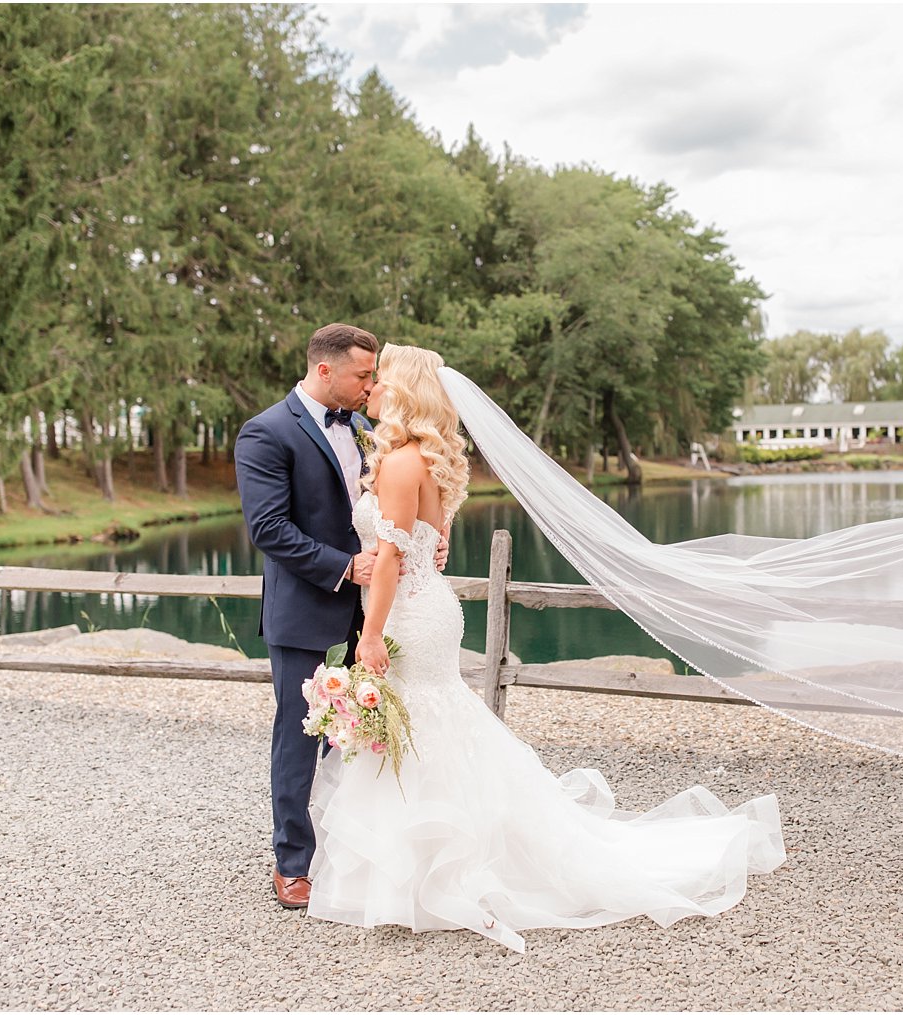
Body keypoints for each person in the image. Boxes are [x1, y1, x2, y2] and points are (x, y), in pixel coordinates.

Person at [306, 345, 786, 952]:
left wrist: (370, 636)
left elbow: (395, 560)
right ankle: (423, 873)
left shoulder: (401, 463)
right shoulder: (430, 460)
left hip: (409, 613)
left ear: (402, 390)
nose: (371, 387)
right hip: (430, 608)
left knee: (424, 724)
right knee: (433, 724)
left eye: (381, 379)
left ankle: (431, 877)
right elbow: (432, 544)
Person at [234, 324, 447, 909]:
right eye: (361, 375)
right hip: (307, 609)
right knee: (300, 738)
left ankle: (345, 854)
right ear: (324, 370)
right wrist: (345, 566)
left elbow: (391, 514)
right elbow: (268, 529)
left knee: (361, 741)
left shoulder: (364, 428)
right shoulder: (266, 432)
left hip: (374, 611)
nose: (370, 384)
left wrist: (422, 541)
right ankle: (293, 863)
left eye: (374, 375)